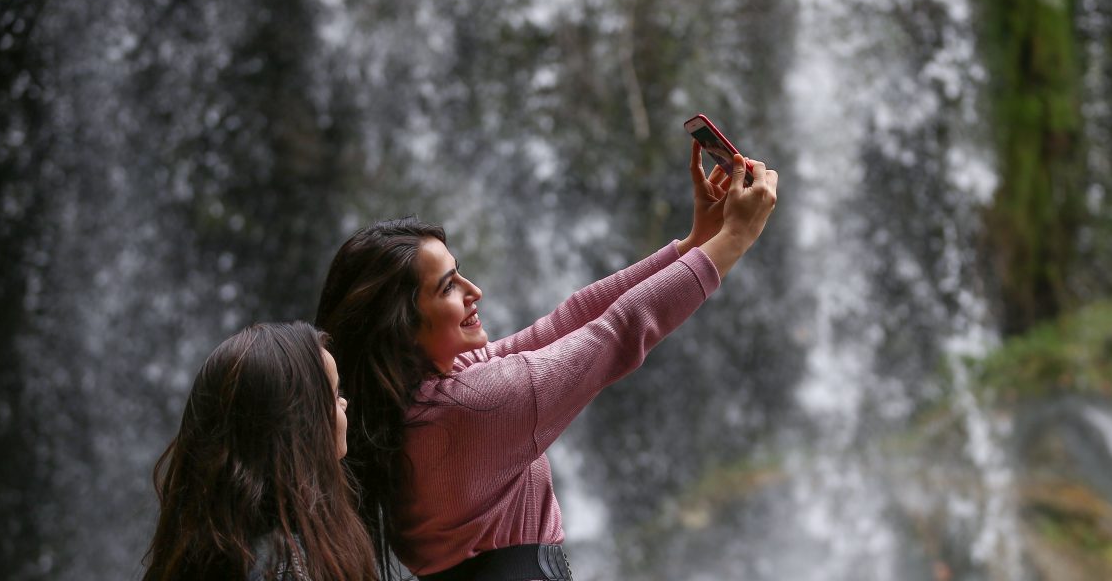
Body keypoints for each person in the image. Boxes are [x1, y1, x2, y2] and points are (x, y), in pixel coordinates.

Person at [315, 145, 777, 580]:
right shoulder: (474, 407)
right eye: (448, 287)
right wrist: (733, 239)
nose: (474, 291)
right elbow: (617, 331)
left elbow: (570, 319)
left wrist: (697, 242)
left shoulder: (406, 399)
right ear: (401, 325)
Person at [141, 321, 378, 581]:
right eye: (333, 395)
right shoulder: (284, 568)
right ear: (298, 428)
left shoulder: (219, 546)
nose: (344, 403)